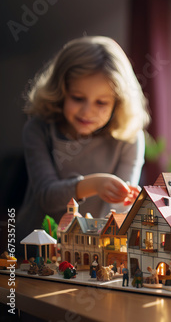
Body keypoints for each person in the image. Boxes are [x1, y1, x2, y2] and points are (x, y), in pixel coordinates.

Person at [18, 36, 150, 252]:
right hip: (33, 250)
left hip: (91, 252)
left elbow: (118, 210)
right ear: (60, 92)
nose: (87, 111)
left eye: (101, 102)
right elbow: (46, 197)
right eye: (78, 98)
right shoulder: (38, 128)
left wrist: (127, 200)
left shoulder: (130, 138)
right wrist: (96, 185)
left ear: (118, 102)